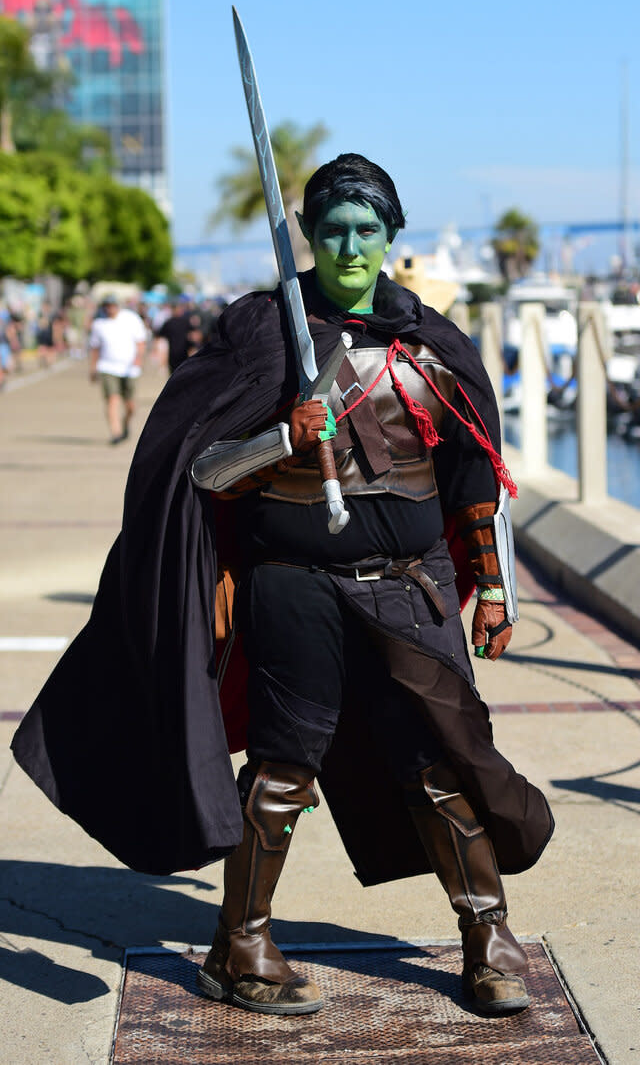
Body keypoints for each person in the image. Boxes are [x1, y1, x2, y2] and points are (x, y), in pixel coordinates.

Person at [12, 155, 553, 1022]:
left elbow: (477, 481)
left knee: (439, 765)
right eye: (332, 228)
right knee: (281, 772)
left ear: (390, 239)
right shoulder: (262, 331)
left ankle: (489, 936)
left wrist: (494, 592)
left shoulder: (431, 346)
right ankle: (243, 946)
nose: (348, 245)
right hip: (293, 588)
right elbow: (205, 470)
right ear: (308, 234)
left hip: (412, 590)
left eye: (366, 229)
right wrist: (280, 436)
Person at [88, 295, 147, 444]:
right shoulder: (99, 324)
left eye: (112, 305)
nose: (110, 308)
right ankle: (116, 432)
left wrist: (138, 359)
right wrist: (93, 367)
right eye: (107, 306)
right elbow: (95, 348)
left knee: (130, 405)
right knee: (112, 399)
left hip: (129, 368)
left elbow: (140, 341)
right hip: (108, 367)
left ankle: (125, 423)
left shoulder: (131, 319)